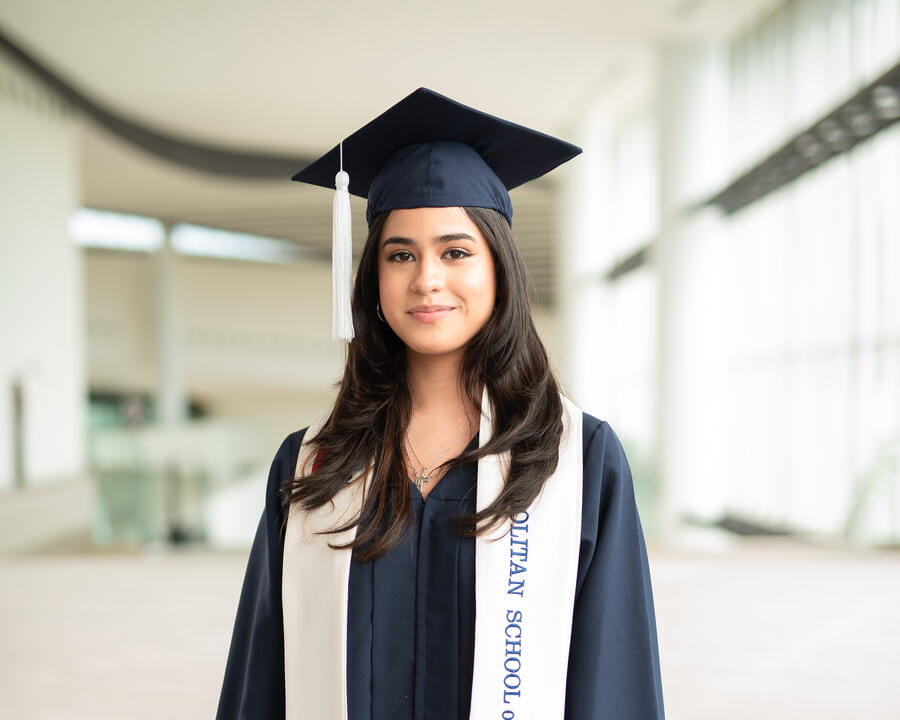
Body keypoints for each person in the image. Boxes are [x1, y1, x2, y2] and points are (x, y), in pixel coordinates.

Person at [216, 88, 664, 720]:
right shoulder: (313, 461)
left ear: (498, 269)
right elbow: (262, 672)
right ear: (374, 276)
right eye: (401, 255)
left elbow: (614, 679)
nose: (427, 279)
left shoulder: (577, 459)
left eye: (455, 251)